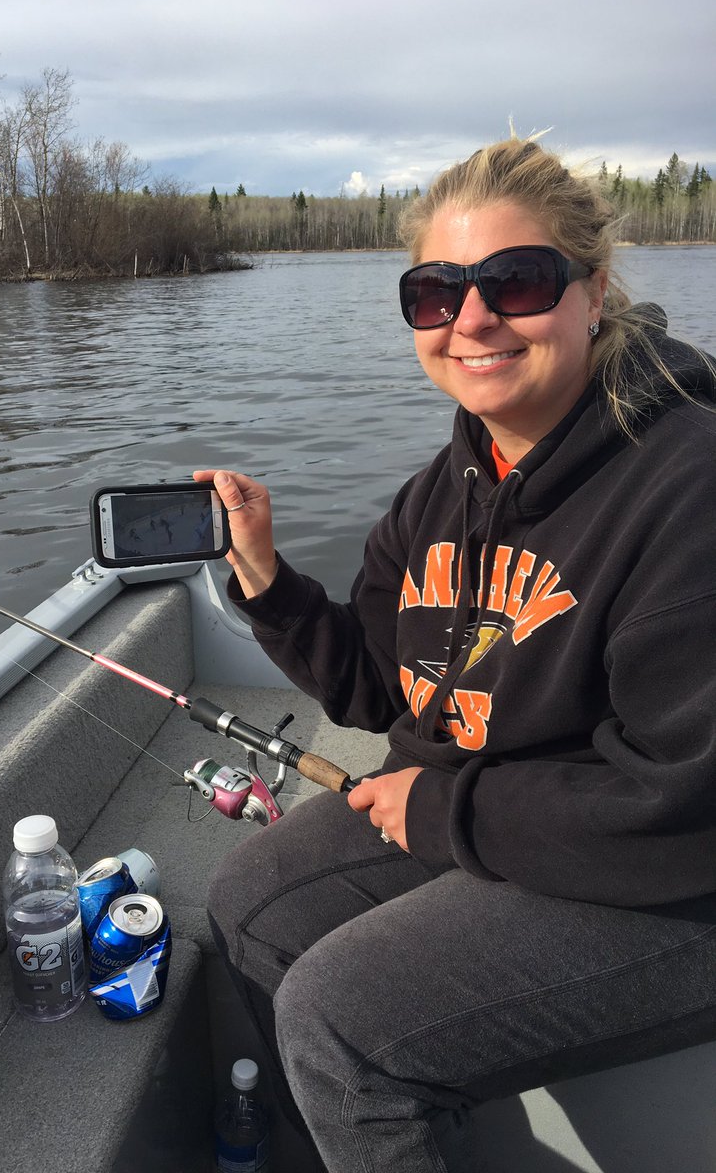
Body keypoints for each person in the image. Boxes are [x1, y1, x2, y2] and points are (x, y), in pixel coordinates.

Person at [194, 132, 716, 1173]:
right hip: (522, 815)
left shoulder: (686, 484)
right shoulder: (448, 486)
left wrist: (442, 810)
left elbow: (683, 805)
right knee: (249, 903)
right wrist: (265, 577)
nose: (472, 319)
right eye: (435, 292)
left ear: (592, 291)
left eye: (514, 283)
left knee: (340, 1019)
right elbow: (386, 685)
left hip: (676, 873)